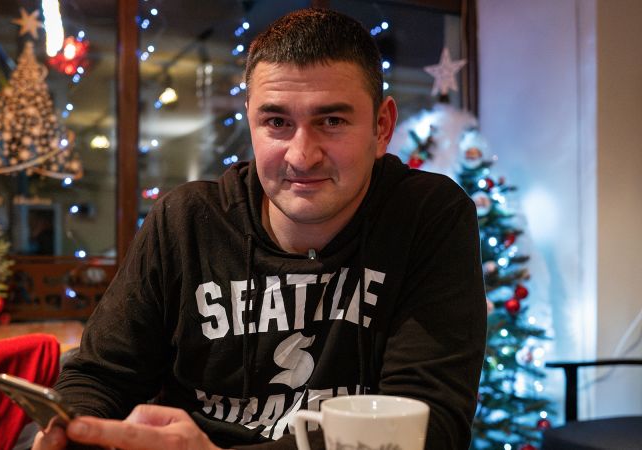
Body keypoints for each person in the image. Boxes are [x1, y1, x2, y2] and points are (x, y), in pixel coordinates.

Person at [35, 8, 486, 450]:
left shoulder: (427, 216)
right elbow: (100, 377)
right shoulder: (185, 220)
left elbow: (426, 425)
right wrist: (72, 430)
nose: (302, 156)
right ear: (251, 121)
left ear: (382, 126)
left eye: (332, 121)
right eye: (277, 123)